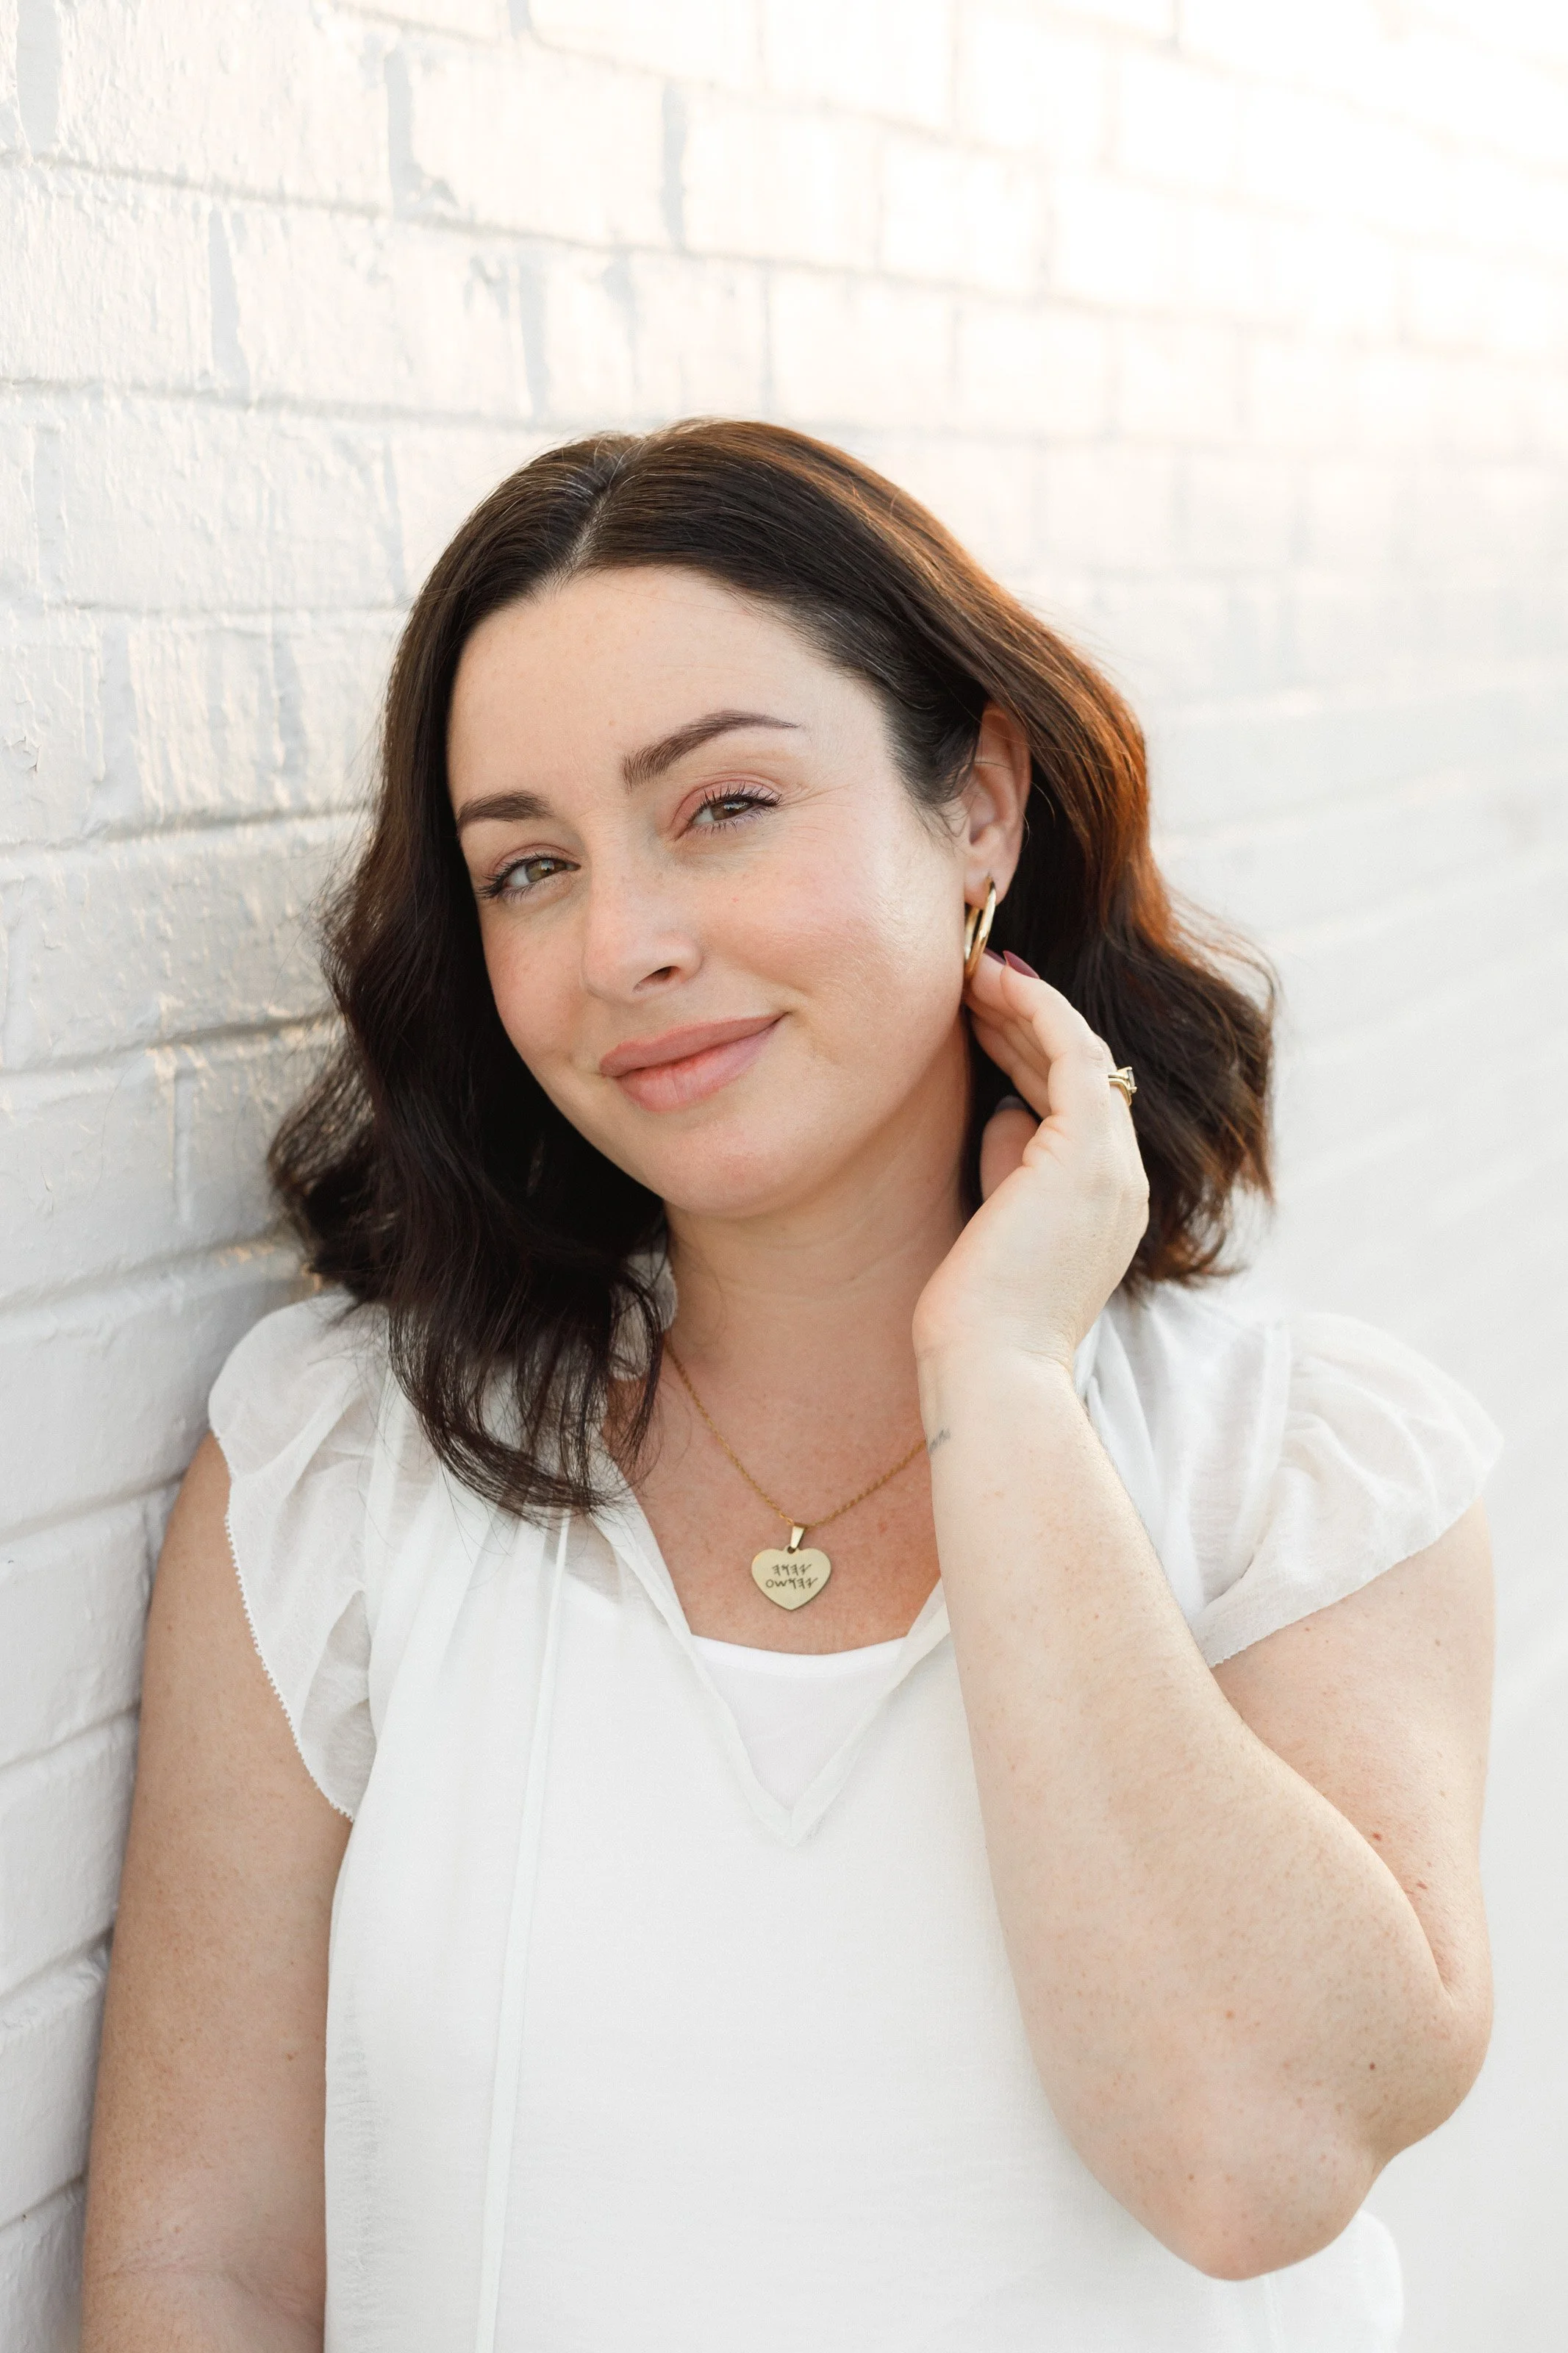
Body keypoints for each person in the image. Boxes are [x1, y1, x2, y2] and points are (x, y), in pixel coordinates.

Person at [81, 421, 1500, 2352]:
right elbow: (208, 2266)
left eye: (725, 805)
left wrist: (998, 1385)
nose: (625, 944)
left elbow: (1250, 2163)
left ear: (979, 807)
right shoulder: (338, 1463)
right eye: (525, 868)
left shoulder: (1306, 1472)